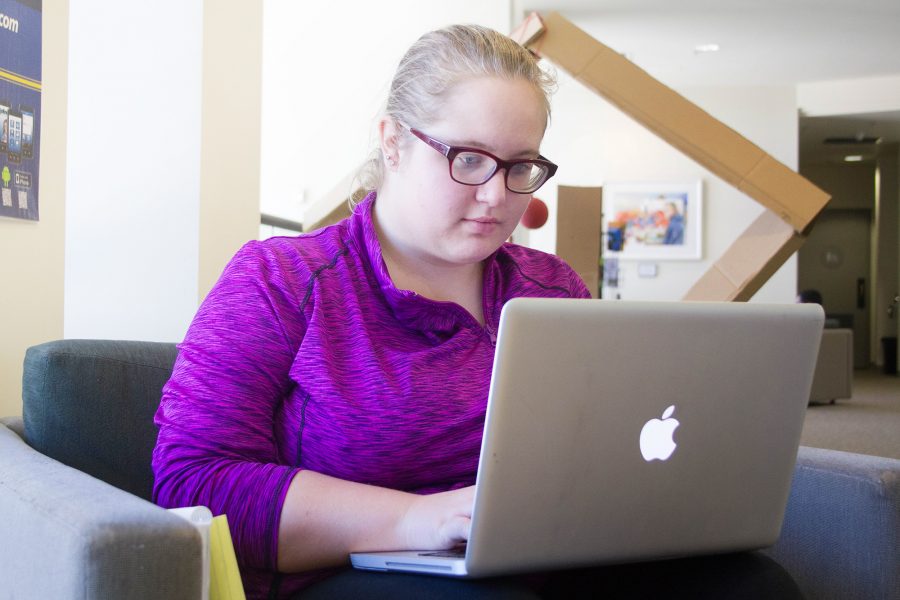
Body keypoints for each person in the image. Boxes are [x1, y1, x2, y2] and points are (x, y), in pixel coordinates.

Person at [153, 24, 802, 600]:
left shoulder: (551, 289)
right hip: (345, 575)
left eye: (520, 167)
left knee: (754, 587)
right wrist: (423, 519)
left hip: (544, 563)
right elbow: (195, 488)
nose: (496, 196)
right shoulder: (281, 279)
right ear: (394, 143)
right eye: (468, 159)